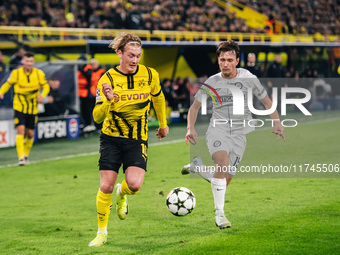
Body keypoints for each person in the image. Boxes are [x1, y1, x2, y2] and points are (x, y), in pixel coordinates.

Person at [182, 40, 285, 229]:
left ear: (237, 60)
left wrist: (277, 122)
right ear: (218, 61)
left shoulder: (249, 78)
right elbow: (194, 107)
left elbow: (266, 101)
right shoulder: (212, 81)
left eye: (230, 59)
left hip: (240, 134)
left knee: (225, 179)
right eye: (222, 60)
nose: (225, 63)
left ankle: (198, 167)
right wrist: (190, 128)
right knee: (222, 164)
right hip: (218, 129)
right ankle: (219, 214)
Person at [88, 32, 169, 247]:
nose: (134, 60)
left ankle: (122, 194)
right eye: (131, 55)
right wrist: (107, 100)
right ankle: (102, 233)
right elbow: (97, 117)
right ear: (119, 53)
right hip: (111, 138)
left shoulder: (150, 75)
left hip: (137, 139)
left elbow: (158, 98)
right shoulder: (107, 79)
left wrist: (162, 124)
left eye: (138, 56)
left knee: (134, 185)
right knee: (105, 185)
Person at [0, 52, 50, 165]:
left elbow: (46, 86)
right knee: (20, 130)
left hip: (33, 107)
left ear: (33, 62)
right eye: (26, 61)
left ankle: (26, 154)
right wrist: (1, 92)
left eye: (30, 61)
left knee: (30, 134)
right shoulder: (16, 73)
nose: (28, 63)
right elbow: (8, 84)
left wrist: (42, 95)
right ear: (22, 62)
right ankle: (21, 157)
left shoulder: (39, 74)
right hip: (19, 106)